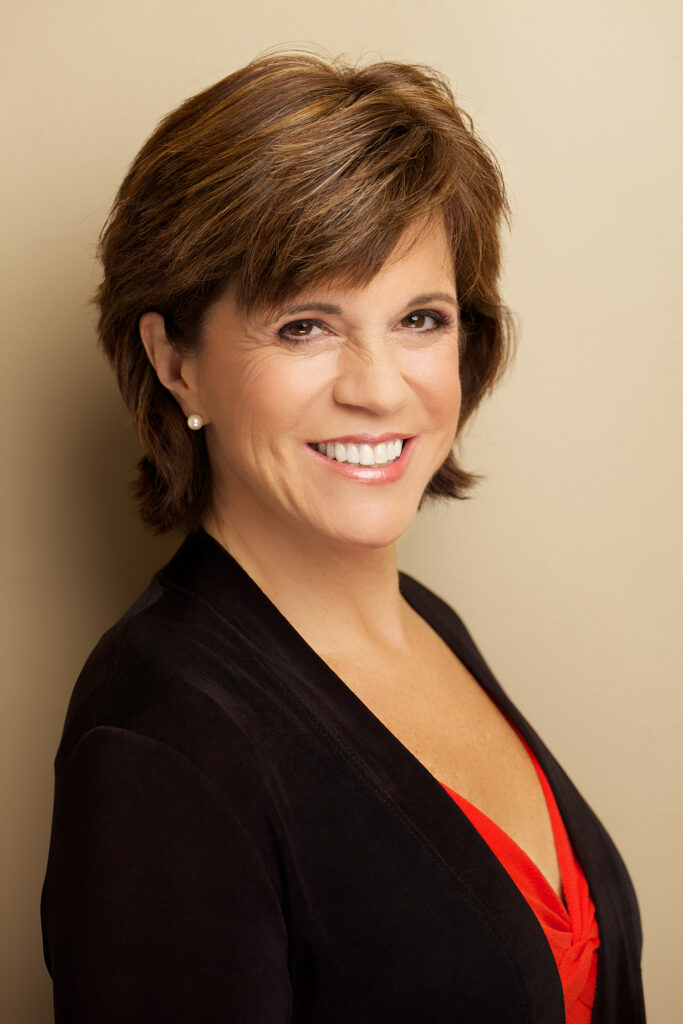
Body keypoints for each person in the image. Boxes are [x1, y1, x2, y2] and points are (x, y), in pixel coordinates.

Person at [40, 51, 645, 1023]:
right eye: (304, 326)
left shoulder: (425, 625)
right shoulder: (161, 740)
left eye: (418, 318)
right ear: (175, 362)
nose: (378, 387)